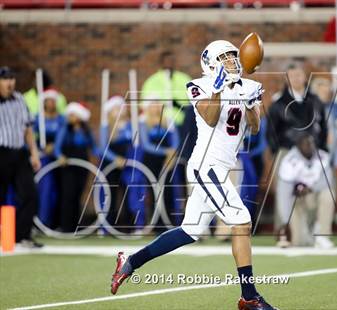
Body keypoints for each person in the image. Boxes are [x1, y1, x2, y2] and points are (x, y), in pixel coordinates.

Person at [110, 40, 277, 310]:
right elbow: (210, 117)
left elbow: (255, 128)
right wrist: (222, 88)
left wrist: (249, 105)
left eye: (234, 56)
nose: (233, 61)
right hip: (206, 165)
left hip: (223, 166)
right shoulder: (198, 85)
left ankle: (130, 261)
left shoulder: (249, 87)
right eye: (225, 57)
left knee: (190, 231)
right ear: (210, 62)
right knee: (242, 221)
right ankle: (249, 297)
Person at [266, 60, 328, 244]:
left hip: (311, 153)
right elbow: (271, 130)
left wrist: (321, 148)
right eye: (292, 76)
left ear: (305, 77)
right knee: (284, 193)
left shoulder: (315, 101)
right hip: (287, 151)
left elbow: (322, 127)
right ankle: (283, 232)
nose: (296, 79)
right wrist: (277, 150)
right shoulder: (278, 103)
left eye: (299, 75)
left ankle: (307, 231)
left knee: (312, 190)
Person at [0, 66, 42, 248]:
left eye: (11, 78)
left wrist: (34, 154)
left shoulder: (20, 99)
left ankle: (22, 235)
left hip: (19, 153)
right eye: (5, 79)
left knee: (30, 193)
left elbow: (28, 130)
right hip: (1, 152)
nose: (9, 82)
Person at [277, 133, 335, 248]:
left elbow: (327, 181)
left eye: (311, 143)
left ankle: (322, 235)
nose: (309, 146)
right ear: (298, 146)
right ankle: (306, 233)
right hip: (297, 201)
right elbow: (284, 194)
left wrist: (310, 188)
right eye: (306, 144)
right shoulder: (288, 161)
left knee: (329, 193)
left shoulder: (323, 157)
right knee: (299, 242)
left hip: (315, 196)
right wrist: (285, 221)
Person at [54, 102, 100, 233]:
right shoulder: (65, 129)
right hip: (68, 165)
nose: (70, 117)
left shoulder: (86, 130)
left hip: (82, 165)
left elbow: (94, 148)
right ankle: (65, 226)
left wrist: (103, 156)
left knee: (78, 194)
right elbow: (57, 147)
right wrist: (60, 156)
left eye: (73, 114)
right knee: (68, 194)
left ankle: (75, 225)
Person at [99, 96, 143, 231]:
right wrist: (115, 159)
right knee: (108, 194)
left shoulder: (132, 125)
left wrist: (130, 160)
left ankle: (131, 226)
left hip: (127, 163)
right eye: (115, 109)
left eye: (121, 108)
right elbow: (102, 147)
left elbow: (137, 145)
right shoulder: (106, 127)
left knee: (129, 193)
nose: (119, 111)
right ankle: (106, 226)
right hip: (110, 164)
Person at [139, 98, 182, 228]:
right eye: (153, 105)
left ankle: (169, 222)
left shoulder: (168, 121)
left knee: (167, 191)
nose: (156, 107)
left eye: (158, 104)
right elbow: (146, 145)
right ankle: (155, 224)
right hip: (151, 161)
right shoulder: (143, 122)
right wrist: (166, 151)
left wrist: (172, 153)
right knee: (153, 191)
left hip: (167, 161)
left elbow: (176, 141)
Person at [33, 89, 65, 228]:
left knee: (58, 191)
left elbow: (62, 137)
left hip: (58, 158)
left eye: (53, 101)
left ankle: (54, 223)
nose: (51, 103)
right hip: (43, 158)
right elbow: (29, 135)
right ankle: (42, 221)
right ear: (44, 102)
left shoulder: (61, 119)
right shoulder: (37, 118)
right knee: (45, 189)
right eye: (48, 101)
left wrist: (54, 148)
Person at [141, 50, 192, 127]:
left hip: (183, 122)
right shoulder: (151, 81)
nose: (169, 63)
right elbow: (144, 105)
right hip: (160, 123)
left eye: (171, 61)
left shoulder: (184, 79)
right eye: (166, 61)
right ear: (161, 63)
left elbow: (193, 101)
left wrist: (178, 105)